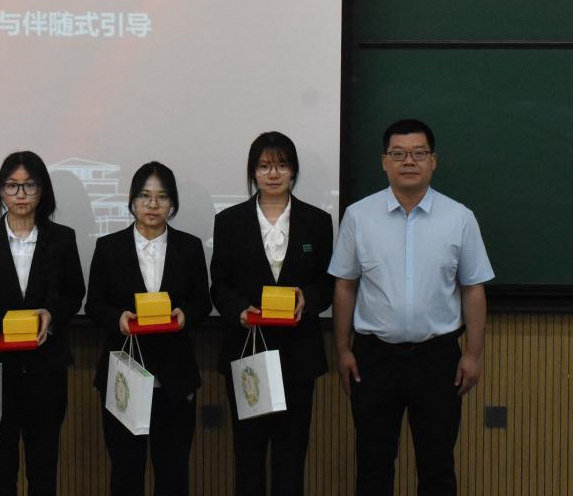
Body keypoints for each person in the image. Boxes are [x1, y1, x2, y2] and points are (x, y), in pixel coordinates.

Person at [329, 119, 494, 496]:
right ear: (384, 162)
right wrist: (342, 350)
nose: (408, 161)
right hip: (373, 358)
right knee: (373, 466)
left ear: (433, 161)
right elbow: (345, 285)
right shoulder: (359, 216)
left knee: (437, 467)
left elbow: (473, 289)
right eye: (398, 154)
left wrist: (473, 354)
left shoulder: (459, 218)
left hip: (437, 358)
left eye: (419, 153)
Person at [209, 132, 334, 496]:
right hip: (247, 352)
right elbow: (219, 286)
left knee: (291, 457)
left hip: (299, 356)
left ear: (293, 170)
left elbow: (328, 284)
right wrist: (239, 311)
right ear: (253, 172)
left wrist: (307, 298)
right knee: (248, 457)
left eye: (282, 165)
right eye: (264, 166)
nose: (273, 174)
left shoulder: (317, 221)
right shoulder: (230, 221)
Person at [0, 151, 85, 496]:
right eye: (12, 186)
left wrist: (52, 314)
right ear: (0, 191)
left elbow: (75, 293)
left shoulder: (62, 238)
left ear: (42, 191)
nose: (20, 195)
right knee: (0, 470)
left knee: (43, 467)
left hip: (46, 369)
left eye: (29, 186)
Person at [85, 161, 211, 496]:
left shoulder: (189, 247)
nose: (153, 204)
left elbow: (203, 301)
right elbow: (94, 304)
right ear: (132, 201)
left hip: (175, 377)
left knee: (173, 474)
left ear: (173, 204)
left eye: (162, 197)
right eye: (144, 196)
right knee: (126, 472)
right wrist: (118, 318)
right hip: (124, 375)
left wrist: (186, 315)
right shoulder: (109, 247)